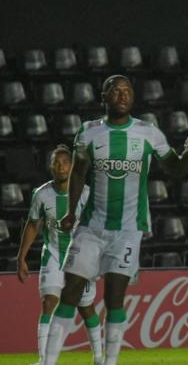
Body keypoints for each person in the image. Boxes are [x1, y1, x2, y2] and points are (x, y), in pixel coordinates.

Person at [43, 75, 188, 365]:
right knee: (71, 290)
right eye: (115, 91)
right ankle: (48, 361)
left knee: (115, 297)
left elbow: (175, 169)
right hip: (91, 227)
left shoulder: (148, 132)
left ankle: (109, 362)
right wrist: (69, 212)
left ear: (134, 98)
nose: (122, 95)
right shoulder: (89, 132)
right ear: (104, 97)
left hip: (128, 230)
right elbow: (78, 174)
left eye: (127, 91)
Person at [17, 145, 103, 365]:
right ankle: (45, 359)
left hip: (81, 258)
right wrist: (21, 257)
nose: (61, 166)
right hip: (53, 253)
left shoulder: (86, 194)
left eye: (66, 162)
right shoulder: (42, 194)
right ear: (50, 167)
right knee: (48, 302)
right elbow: (33, 224)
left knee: (86, 308)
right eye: (57, 162)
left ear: (72, 166)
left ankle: (100, 357)